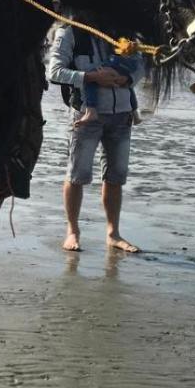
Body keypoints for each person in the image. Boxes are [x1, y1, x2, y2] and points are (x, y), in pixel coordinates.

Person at [48, 24, 143, 254]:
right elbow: (54, 72)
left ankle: (113, 234)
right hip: (85, 115)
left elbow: (141, 65)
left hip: (122, 115)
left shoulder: (123, 30)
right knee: (77, 175)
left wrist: (127, 79)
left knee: (116, 177)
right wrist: (92, 77)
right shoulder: (70, 32)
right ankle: (72, 231)